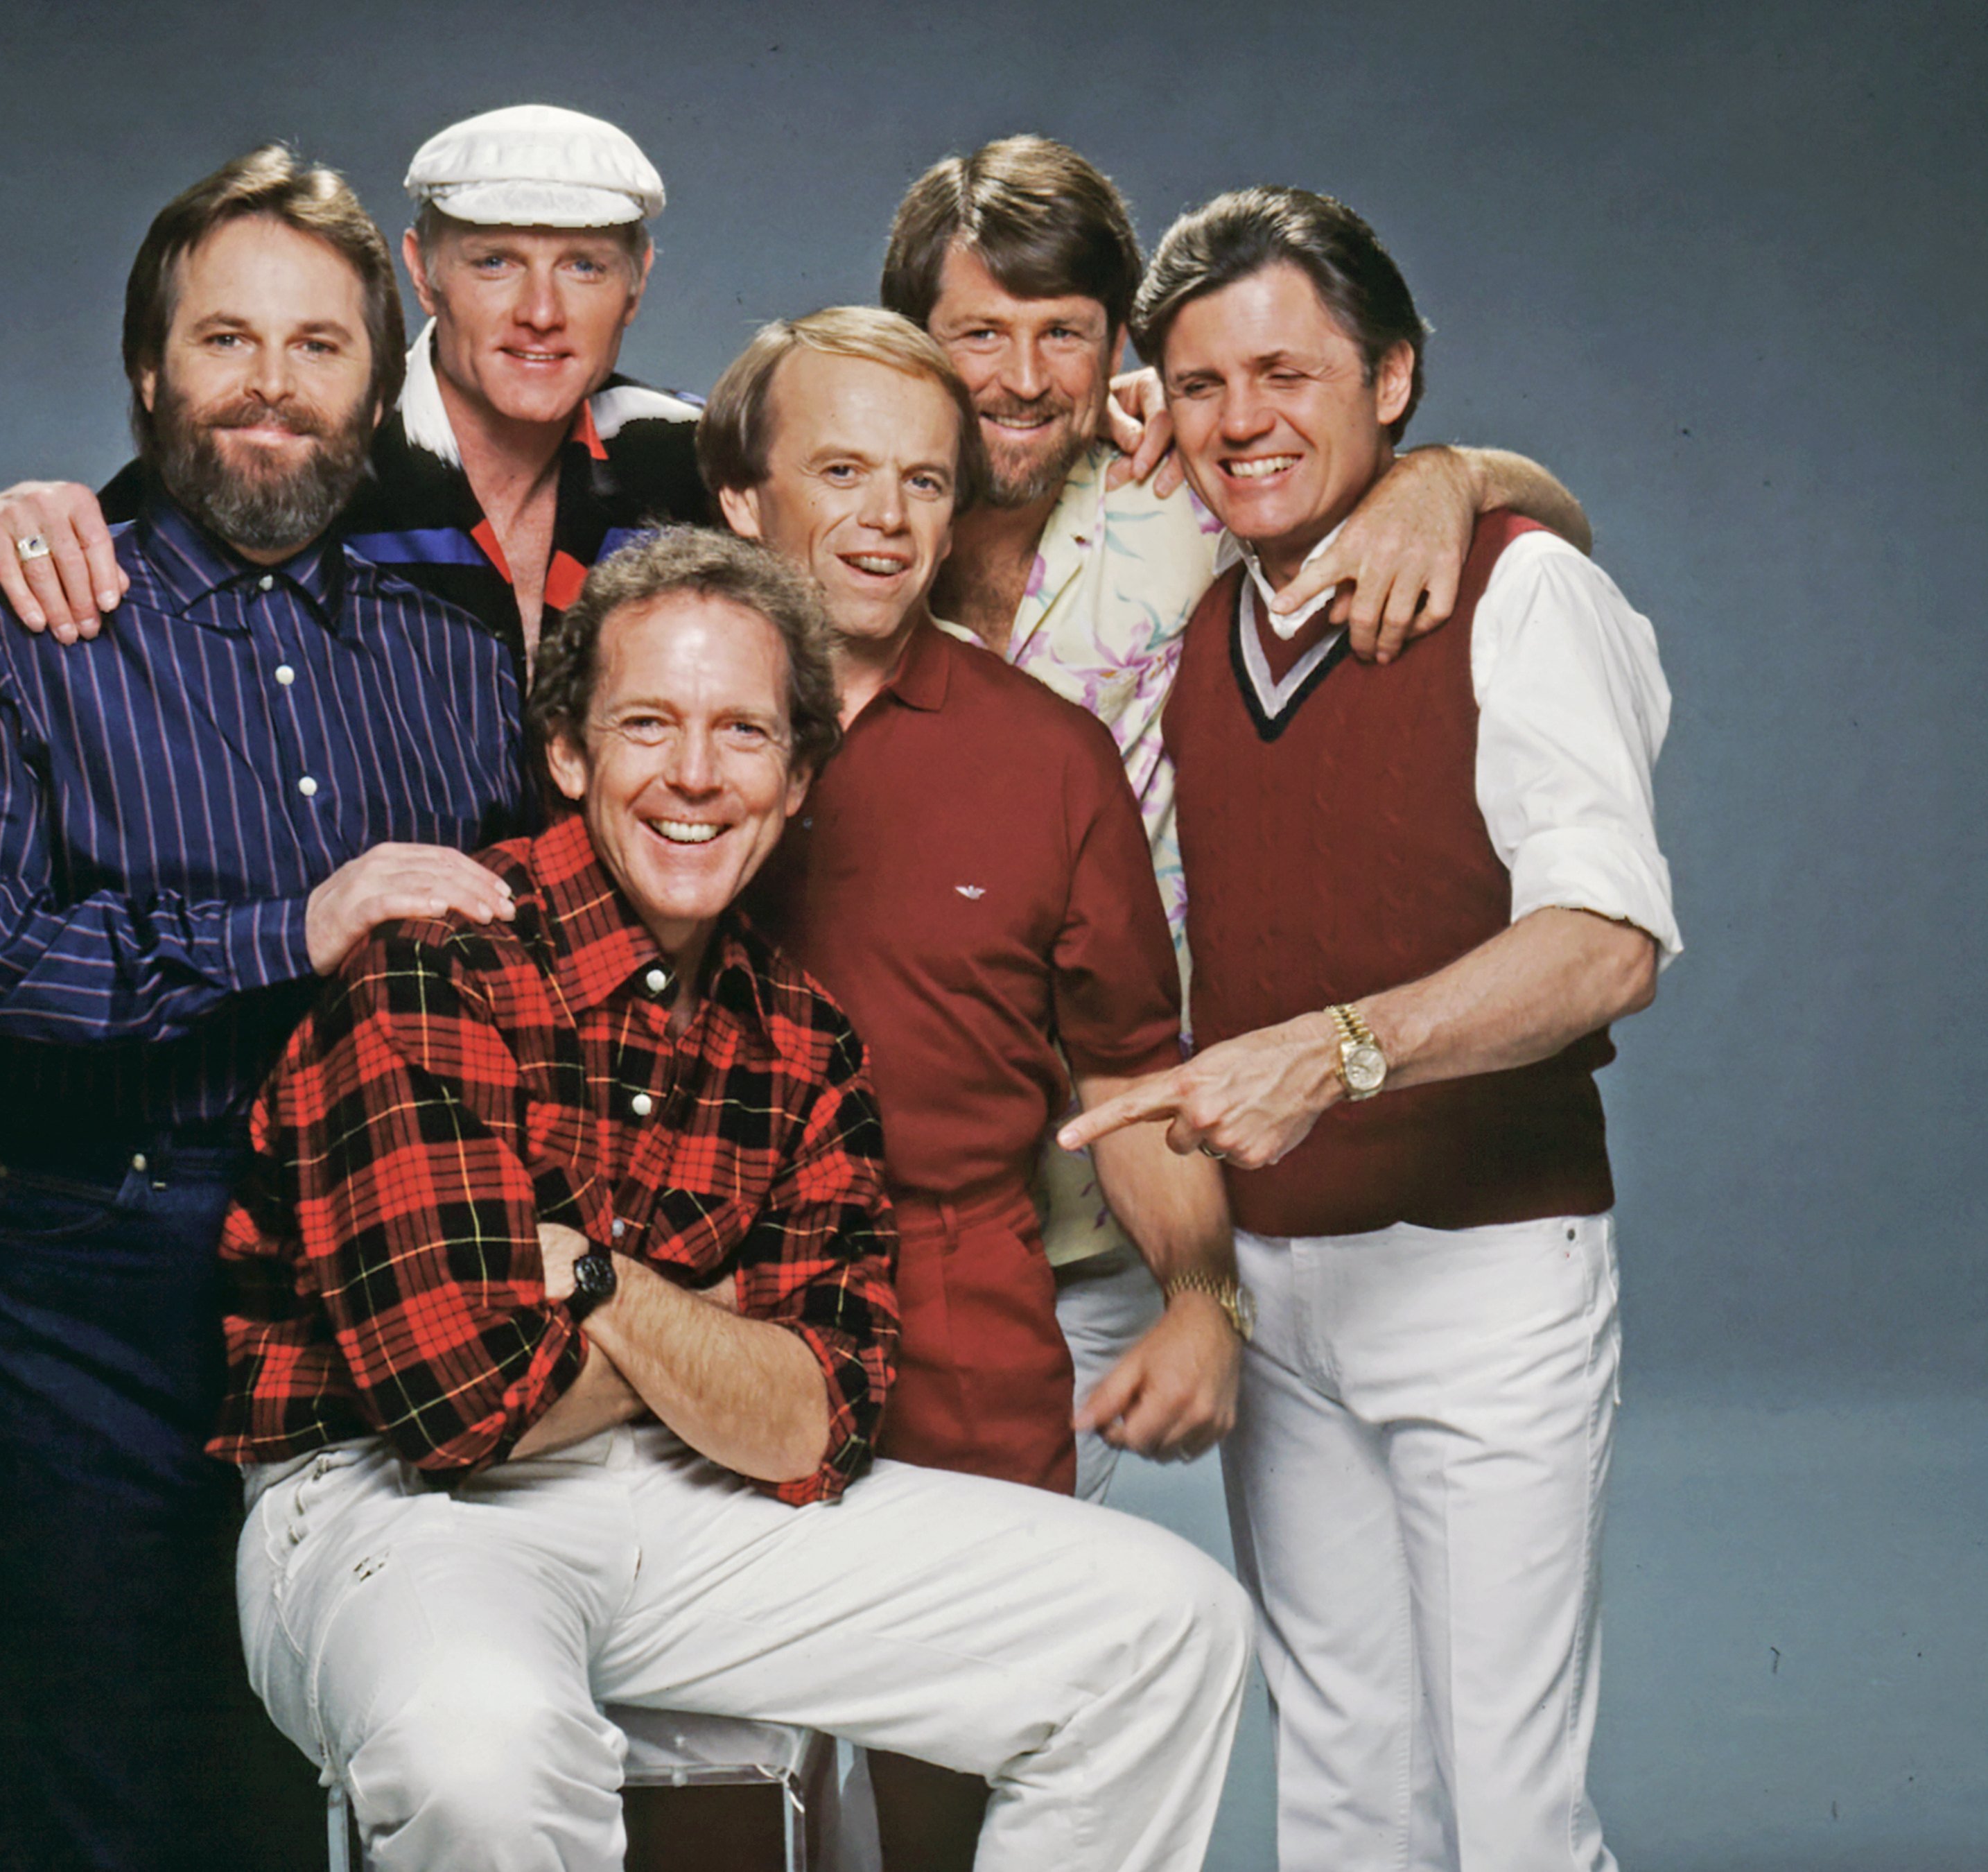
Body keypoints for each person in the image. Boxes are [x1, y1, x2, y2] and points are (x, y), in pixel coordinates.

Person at [211, 526, 1256, 1872]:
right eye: (648, 725)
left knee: (1167, 1631)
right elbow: (457, 1404)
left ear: (799, 772)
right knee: (486, 1755)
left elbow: (820, 1411)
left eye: (744, 733)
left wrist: (595, 1280)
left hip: (680, 1505)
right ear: (570, 754)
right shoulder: (439, 971)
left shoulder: (805, 1042)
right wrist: (720, 1338)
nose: (694, 775)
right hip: (395, 1516)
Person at [0, 145, 526, 1872]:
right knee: (100, 1770)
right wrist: (286, 927)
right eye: (225, 339)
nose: (271, 385)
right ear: (147, 370)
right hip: (88, 1265)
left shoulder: (457, 630)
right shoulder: (22, 618)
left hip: (365, 1251)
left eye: (319, 346)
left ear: (378, 386)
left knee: (313, 1741)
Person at [1064, 184, 1680, 1872]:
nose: (1241, 420)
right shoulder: (1199, 614)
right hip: (1277, 1280)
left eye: (1287, 373)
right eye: (1197, 385)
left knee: (1505, 1802)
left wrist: (1338, 1048)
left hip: (1483, 1268)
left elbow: (1605, 941)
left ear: (1392, 380)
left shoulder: (1515, 588)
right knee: (1340, 1781)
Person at [882, 135, 1598, 1498]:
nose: (1022, 379)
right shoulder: (843, 515)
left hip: (1135, 1192)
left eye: (1064, 335)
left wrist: (1444, 477)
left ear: (1115, 352)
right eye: (977, 332)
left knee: (1001, 1649)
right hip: (888, 1200)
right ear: (912, 342)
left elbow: (1545, 520)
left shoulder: (1187, 495)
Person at [700, 306, 1246, 1861]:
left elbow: (1135, 1074)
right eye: (843, 472)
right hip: (688, 1311)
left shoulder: (1047, 758)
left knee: (964, 1796)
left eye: (925, 483)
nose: (885, 520)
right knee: (704, 1801)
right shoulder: (655, 727)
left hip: (957, 1305)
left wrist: (1206, 1300)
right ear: (745, 496)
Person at [0, 104, 707, 691]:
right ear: (421, 271)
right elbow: (78, 552)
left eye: (584, 266)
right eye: (494, 262)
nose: (541, 311)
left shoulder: (695, 457)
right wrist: (15, 523)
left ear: (638, 279)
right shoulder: (301, 440)